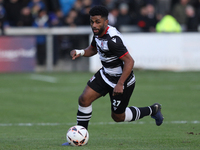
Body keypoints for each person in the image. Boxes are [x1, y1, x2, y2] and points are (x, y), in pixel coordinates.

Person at [62, 5, 164, 146]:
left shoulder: (113, 40)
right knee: (84, 99)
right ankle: (81, 137)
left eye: (97, 22)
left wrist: (120, 84)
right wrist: (80, 52)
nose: (94, 25)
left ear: (106, 22)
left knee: (118, 117)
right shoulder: (97, 33)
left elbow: (129, 61)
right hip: (105, 75)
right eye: (92, 22)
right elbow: (93, 48)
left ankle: (153, 109)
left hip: (123, 81)